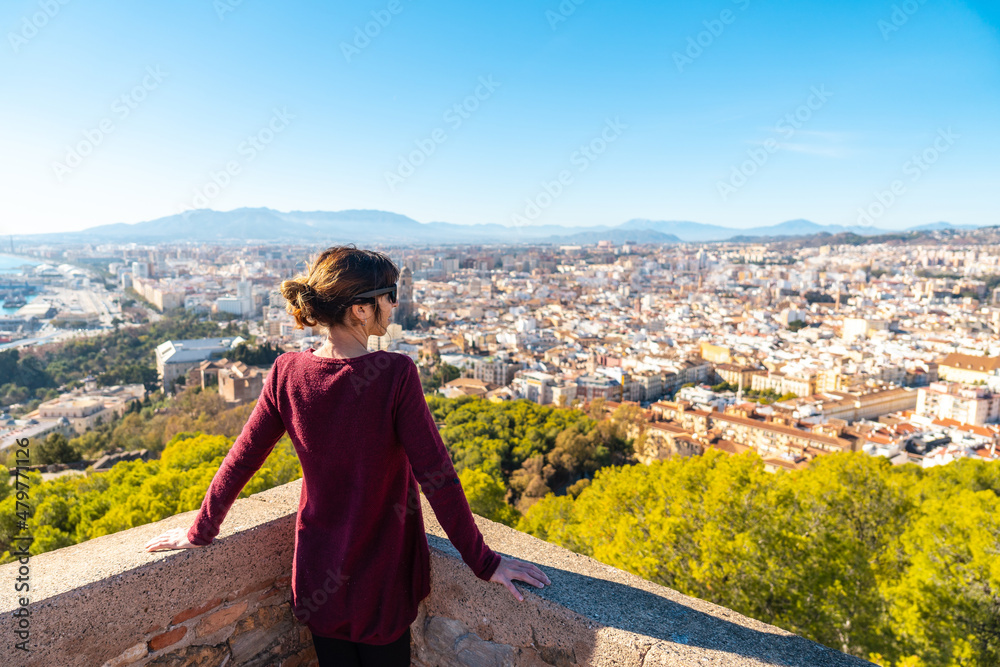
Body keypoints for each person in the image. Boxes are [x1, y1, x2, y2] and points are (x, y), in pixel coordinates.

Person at [144, 245, 551, 667]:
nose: (395, 304)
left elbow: (243, 459)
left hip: (319, 576)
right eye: (390, 294)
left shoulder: (287, 371)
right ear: (361, 309)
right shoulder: (394, 375)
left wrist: (201, 530)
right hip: (381, 582)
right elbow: (437, 476)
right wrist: (484, 562)